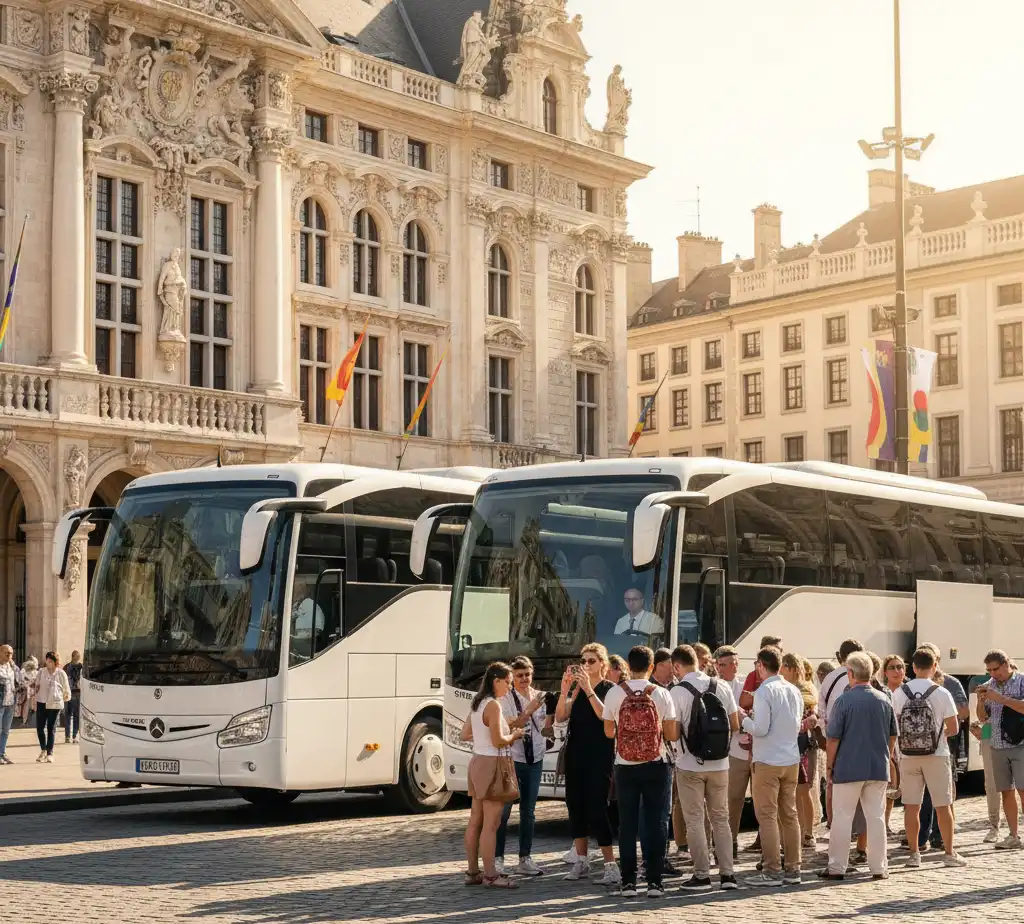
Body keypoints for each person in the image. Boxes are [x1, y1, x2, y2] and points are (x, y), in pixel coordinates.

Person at [603, 645, 678, 898]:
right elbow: (670, 733)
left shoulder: (614, 693)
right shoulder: (661, 694)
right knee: (657, 822)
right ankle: (655, 881)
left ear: (628, 664)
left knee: (627, 823)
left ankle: (628, 882)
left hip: (625, 765)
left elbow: (609, 732)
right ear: (651, 667)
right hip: (656, 763)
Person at [818, 652, 897, 881]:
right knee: (876, 817)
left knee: (842, 817)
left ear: (850, 674)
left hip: (848, 767)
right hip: (877, 767)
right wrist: (887, 756)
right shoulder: (884, 699)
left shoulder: (844, 701)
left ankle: (837, 867)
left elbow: (833, 739)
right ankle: (879, 866)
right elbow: (893, 735)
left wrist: (830, 767)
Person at [671, 644, 739, 892]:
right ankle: (728, 874)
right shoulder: (720, 685)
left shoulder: (677, 691)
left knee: (695, 820)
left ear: (678, 666)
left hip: (690, 763)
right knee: (721, 818)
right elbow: (734, 724)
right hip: (721, 763)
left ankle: (701, 875)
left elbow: (674, 730)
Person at [892, 647, 967, 867]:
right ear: (935, 666)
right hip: (936, 754)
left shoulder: (899, 693)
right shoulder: (941, 692)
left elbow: (895, 725)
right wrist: (937, 735)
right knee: (943, 805)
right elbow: (953, 728)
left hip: (907, 755)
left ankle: (914, 854)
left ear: (913, 667)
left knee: (911, 806)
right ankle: (949, 853)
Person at [556, 643, 618, 884]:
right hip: (576, 754)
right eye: (583, 661)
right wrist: (564, 691)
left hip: (599, 755)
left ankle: (610, 864)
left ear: (602, 664)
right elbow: (561, 716)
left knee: (597, 809)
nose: (586, 665)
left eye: (591, 661)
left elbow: (605, 715)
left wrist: (589, 690)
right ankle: (581, 861)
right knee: (575, 806)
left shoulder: (609, 688)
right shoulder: (579, 690)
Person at [742, 646, 804, 886]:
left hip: (768, 759)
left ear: (760, 665)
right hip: (790, 758)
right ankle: (793, 868)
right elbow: (796, 725)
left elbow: (761, 729)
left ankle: (772, 870)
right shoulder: (793, 690)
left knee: (767, 816)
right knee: (789, 815)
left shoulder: (764, 691)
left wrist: (742, 719)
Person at [462, 662, 526, 889]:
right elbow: (499, 741)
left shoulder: (477, 702)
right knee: (491, 823)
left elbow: (465, 733)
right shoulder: (494, 706)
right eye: (508, 682)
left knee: (475, 820)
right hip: (492, 762)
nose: (510, 687)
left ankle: (473, 871)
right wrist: (515, 734)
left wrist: (487, 736)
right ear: (495, 681)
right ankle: (490, 875)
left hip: (477, 760)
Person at [495, 656, 548, 877]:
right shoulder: (506, 698)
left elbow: (545, 725)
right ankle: (497, 858)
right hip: (513, 758)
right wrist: (529, 710)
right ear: (512, 677)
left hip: (535, 757)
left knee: (529, 811)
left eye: (527, 674)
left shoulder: (539, 696)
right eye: (519, 676)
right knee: (504, 812)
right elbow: (509, 724)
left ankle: (525, 858)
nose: (524, 679)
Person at [977, 648, 1024, 850]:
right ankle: (1013, 835)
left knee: (1023, 790)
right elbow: (982, 718)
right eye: (989, 670)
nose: (993, 674)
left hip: (1021, 744)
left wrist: (1002, 699)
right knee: (1006, 791)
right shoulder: (988, 686)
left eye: (996, 669)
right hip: (997, 745)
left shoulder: (1021, 681)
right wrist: (981, 702)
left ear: (1006, 664)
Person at [781, 653, 820, 850]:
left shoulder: (803, 689)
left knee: (802, 791)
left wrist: (802, 724)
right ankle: (802, 832)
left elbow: (812, 718)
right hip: (796, 744)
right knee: (798, 792)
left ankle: (807, 832)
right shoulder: (802, 688)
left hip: (802, 744)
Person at [715, 645, 749, 857]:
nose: (721, 669)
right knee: (732, 800)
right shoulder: (714, 686)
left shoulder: (747, 684)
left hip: (756, 750)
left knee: (763, 805)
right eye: (719, 664)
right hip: (731, 751)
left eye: (725, 664)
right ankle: (729, 843)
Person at [881, 654, 907, 833]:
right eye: (892, 667)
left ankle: (909, 825)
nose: (897, 671)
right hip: (889, 743)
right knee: (889, 787)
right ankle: (885, 822)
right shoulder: (882, 693)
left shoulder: (909, 691)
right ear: (885, 672)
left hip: (908, 744)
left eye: (900, 667)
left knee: (910, 787)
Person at [31, 651, 71, 763]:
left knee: (51, 728)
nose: (48, 663)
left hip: (55, 704)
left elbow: (66, 688)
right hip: (41, 701)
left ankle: (50, 753)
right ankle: (43, 749)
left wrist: (65, 697)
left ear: (55, 662)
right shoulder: (41, 672)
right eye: (47, 660)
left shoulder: (61, 673)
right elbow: (36, 685)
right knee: (39, 728)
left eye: (51, 661)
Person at [0, 644, 20, 764]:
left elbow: (20, 679)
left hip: (10, 701)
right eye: (6, 652)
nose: (9, 655)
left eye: (11, 653)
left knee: (6, 730)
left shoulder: (12, 666)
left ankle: (2, 753)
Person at [63, 650, 83, 744]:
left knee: (73, 716)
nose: (78, 657)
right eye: (77, 656)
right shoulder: (80, 667)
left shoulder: (69, 667)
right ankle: (71, 736)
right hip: (72, 693)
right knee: (72, 715)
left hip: (74, 693)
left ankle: (71, 736)